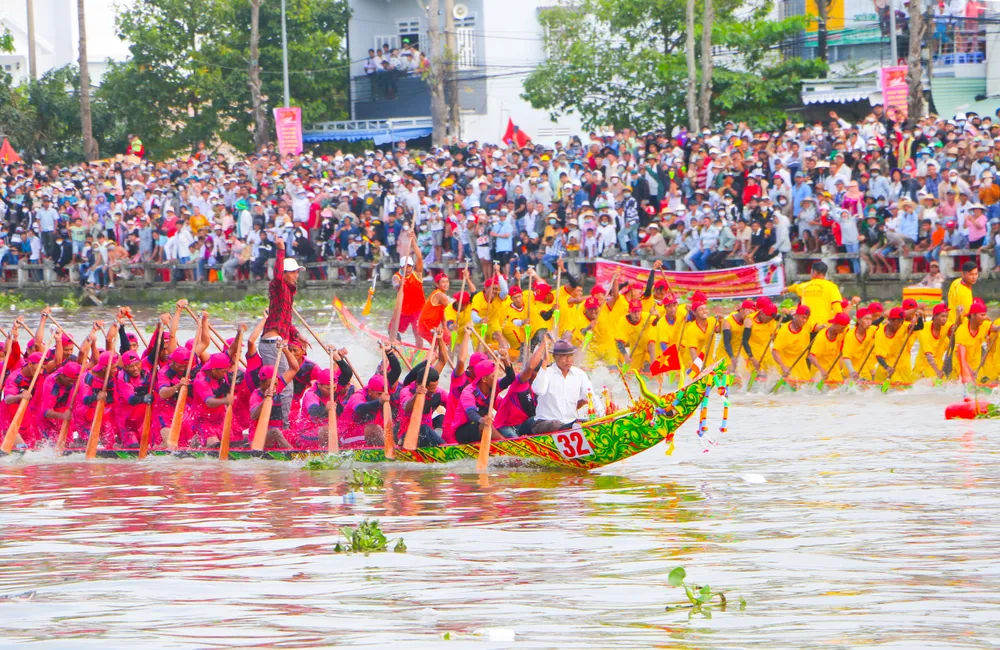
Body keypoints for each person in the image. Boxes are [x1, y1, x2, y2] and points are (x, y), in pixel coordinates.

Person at [260, 238, 303, 423]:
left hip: (278, 342)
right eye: (293, 272)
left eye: (297, 272)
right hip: (272, 344)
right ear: (285, 273)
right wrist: (280, 250)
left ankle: (281, 423)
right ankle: (281, 424)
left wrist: (298, 335)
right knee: (284, 387)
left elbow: (285, 321)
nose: (296, 276)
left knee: (286, 385)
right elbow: (277, 276)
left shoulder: (289, 292)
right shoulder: (279, 285)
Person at [529, 338, 593, 434]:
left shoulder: (580, 374)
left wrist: (601, 414)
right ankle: (570, 428)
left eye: (570, 356)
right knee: (556, 424)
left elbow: (591, 396)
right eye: (564, 356)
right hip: (545, 424)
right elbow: (538, 390)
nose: (568, 360)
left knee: (589, 423)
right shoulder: (547, 372)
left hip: (570, 423)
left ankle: (571, 428)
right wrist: (544, 363)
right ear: (555, 357)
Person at [785, 261, 844, 327]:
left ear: (814, 272)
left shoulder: (804, 286)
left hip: (806, 325)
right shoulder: (832, 287)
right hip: (824, 325)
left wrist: (786, 289)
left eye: (811, 271)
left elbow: (795, 287)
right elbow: (837, 309)